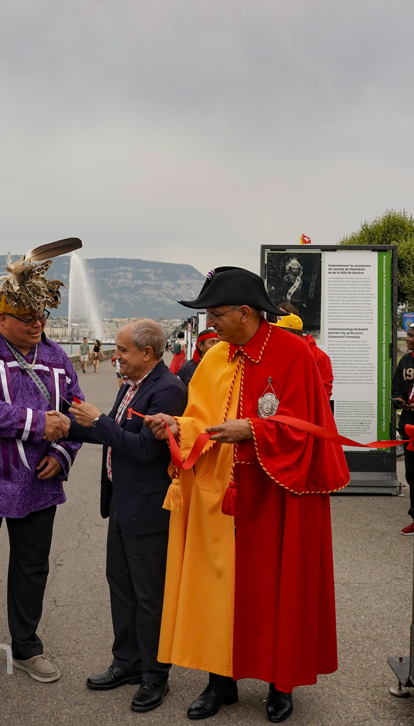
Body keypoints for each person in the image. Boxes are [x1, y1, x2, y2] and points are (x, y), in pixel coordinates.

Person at [145, 267, 349, 722]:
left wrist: (253, 429)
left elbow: (307, 428)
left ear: (245, 311)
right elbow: (200, 419)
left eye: (216, 314)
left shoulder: (295, 354)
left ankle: (281, 684)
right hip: (222, 494)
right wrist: (176, 426)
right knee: (218, 587)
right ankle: (221, 682)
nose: (211, 323)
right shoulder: (216, 357)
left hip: (277, 492)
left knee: (275, 586)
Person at [0, 243, 85, 699]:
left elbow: (76, 412)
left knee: (31, 569)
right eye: (28, 320)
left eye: (41, 319)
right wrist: (37, 424)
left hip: (37, 483)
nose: (37, 326)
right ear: (3, 317)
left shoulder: (58, 357)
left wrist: (63, 454)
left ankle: (26, 647)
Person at [68, 319, 186, 713]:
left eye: (122, 351)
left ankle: (155, 676)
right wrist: (67, 426)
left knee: (149, 594)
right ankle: (127, 662)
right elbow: (109, 432)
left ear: (147, 353)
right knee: (120, 584)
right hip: (121, 502)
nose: (115, 356)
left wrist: (97, 420)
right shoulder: (131, 385)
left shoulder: (167, 390)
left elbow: (144, 450)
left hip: (148, 509)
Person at [391, 325, 414, 535]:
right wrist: (399, 399)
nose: (407, 339)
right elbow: (397, 387)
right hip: (409, 426)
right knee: (412, 475)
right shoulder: (405, 361)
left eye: (411, 335)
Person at [277, 308, 334, 403]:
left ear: (294, 333)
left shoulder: (320, 357)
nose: (279, 335)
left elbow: (324, 395)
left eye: (282, 331)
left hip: (305, 414)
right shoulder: (280, 353)